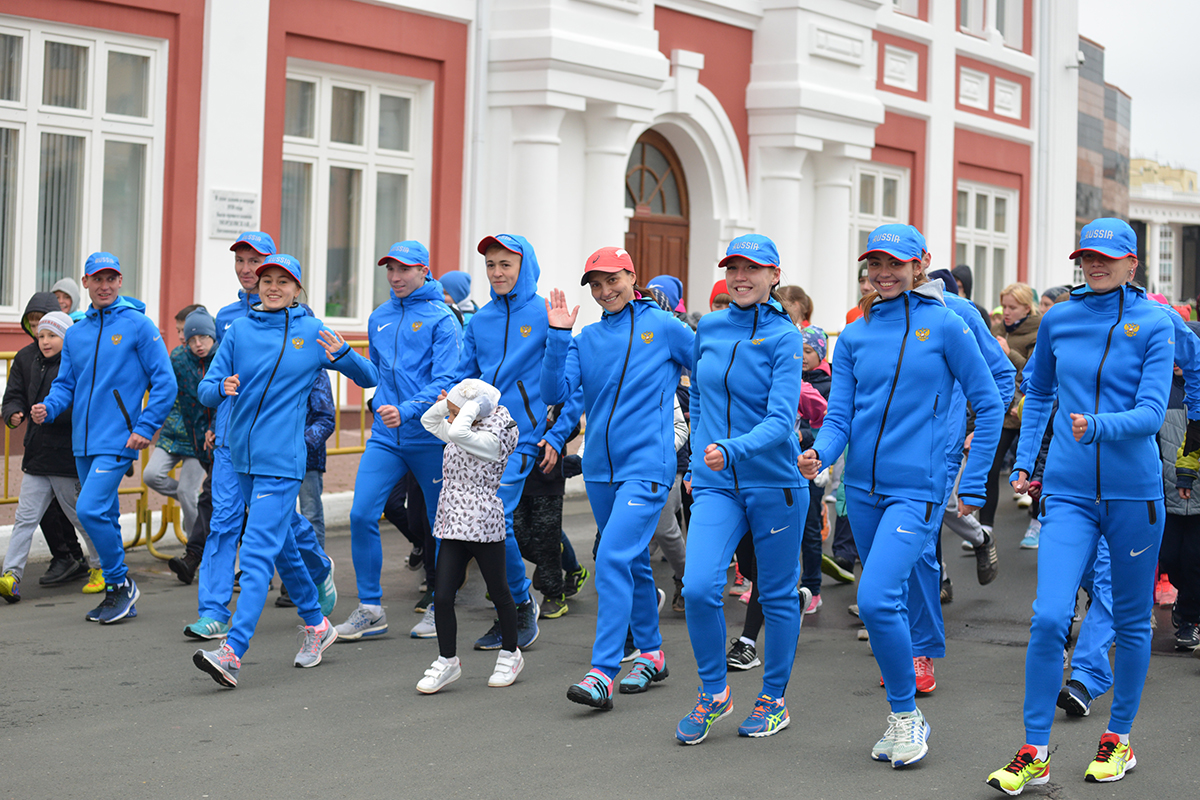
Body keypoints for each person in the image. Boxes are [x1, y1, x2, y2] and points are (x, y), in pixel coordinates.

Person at [800, 224, 1003, 767]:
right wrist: (820, 453)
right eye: (876, 264)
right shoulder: (856, 333)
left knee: (873, 598)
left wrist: (974, 480)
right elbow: (841, 415)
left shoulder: (948, 323)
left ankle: (909, 715)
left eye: (896, 263)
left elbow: (988, 403)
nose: (884, 273)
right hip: (862, 489)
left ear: (920, 264)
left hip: (918, 489)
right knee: (883, 602)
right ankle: (902, 714)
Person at [986, 219, 1173, 793]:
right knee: (1048, 617)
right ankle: (1034, 751)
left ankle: (1119, 740)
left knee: (1133, 621)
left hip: (1134, 494)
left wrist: (1097, 426)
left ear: (1131, 264)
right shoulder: (1060, 318)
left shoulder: (1155, 323)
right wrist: (1025, 461)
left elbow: (1151, 413)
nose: (1094, 265)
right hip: (1068, 492)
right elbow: (1040, 390)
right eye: (1087, 256)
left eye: (1106, 258)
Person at [192, 254, 378, 688]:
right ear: (257, 286)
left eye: (283, 281)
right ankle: (317, 625)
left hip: (282, 463)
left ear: (297, 290)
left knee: (256, 554)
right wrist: (221, 387)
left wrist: (345, 355)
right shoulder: (238, 331)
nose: (273, 287)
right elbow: (205, 389)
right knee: (283, 548)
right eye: (267, 280)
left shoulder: (312, 332)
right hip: (242, 459)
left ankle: (232, 652)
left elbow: (368, 375)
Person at [541, 245, 693, 711]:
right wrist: (558, 335)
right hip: (600, 471)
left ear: (631, 276)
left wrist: (708, 440)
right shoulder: (585, 338)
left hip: (648, 466)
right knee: (632, 562)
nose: (605, 290)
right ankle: (651, 654)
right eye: (596, 284)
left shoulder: (665, 326)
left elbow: (709, 374)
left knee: (609, 558)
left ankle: (602, 672)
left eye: (613, 280)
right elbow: (555, 392)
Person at [674, 234, 809, 744]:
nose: (740, 278)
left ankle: (774, 699)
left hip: (774, 481)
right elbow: (699, 397)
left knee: (776, 594)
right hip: (716, 483)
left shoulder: (785, 336)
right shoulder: (708, 327)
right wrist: (700, 458)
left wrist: (731, 448)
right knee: (698, 587)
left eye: (751, 269)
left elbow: (781, 419)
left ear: (774, 275)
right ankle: (714, 693)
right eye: (732, 268)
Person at [186, 232, 337, 641]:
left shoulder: (300, 318)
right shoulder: (228, 317)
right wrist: (216, 423)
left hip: (277, 444)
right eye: (240, 260)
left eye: (255, 261)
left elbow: (316, 385)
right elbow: (218, 379)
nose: (247, 269)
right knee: (223, 520)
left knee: (285, 523)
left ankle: (317, 569)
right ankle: (214, 612)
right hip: (232, 441)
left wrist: (305, 437)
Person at [33, 253, 177, 624]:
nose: (105, 285)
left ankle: (120, 581)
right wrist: (49, 407)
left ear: (120, 281)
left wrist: (145, 427)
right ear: (85, 283)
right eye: (97, 279)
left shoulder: (138, 325)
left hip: (120, 438)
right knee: (106, 514)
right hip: (83, 441)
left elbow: (165, 382)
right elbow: (66, 384)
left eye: (111, 278)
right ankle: (118, 594)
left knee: (89, 509)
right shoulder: (76, 332)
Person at [336, 240, 460, 642]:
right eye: (390, 269)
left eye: (404, 269)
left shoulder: (443, 319)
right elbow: (373, 375)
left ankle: (441, 606)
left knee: (441, 525)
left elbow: (446, 380)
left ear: (424, 270)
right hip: (387, 437)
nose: (395, 277)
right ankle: (371, 608)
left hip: (430, 436)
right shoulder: (379, 316)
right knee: (361, 514)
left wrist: (406, 409)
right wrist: (346, 358)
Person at [455, 234, 569, 651]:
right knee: (478, 526)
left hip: (523, 437)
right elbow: (464, 375)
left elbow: (568, 388)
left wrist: (555, 434)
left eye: (506, 264)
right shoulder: (480, 320)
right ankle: (514, 606)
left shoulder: (544, 313)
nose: (497, 272)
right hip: (480, 437)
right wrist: (451, 407)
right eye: (491, 264)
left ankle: (520, 607)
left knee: (493, 520)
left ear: (525, 267)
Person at [415, 380, 521, 693]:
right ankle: (447, 660)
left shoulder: (493, 437)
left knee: (500, 592)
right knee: (443, 596)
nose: (450, 417)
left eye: (455, 412)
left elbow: (460, 433)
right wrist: (452, 402)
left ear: (476, 410)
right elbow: (428, 420)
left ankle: (511, 654)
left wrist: (471, 404)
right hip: (453, 522)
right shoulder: (463, 425)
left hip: (482, 522)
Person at [1, 312, 102, 603]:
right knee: (24, 518)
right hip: (37, 456)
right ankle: (11, 576)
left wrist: (50, 412)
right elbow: (15, 395)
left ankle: (102, 567)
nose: (45, 341)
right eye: (41, 335)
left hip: (66, 458)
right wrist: (14, 413)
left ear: (67, 338)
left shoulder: (78, 364)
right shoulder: (29, 359)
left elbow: (83, 406)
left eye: (52, 336)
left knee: (80, 516)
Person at [146, 307, 215, 569]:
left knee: (188, 491)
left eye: (200, 337)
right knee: (151, 475)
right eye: (184, 335)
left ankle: (195, 551)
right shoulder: (178, 358)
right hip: (174, 433)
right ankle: (198, 519)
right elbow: (161, 384)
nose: (192, 342)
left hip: (199, 437)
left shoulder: (220, 357)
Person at [980, 283, 1041, 548]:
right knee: (991, 467)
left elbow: (1036, 373)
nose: (1006, 312)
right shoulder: (996, 331)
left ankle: (1036, 523)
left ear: (1027, 308)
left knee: (1036, 470)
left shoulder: (1039, 331)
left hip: (1030, 410)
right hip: (1004, 411)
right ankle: (985, 528)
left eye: (1012, 307)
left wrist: (1009, 352)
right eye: (1004, 306)